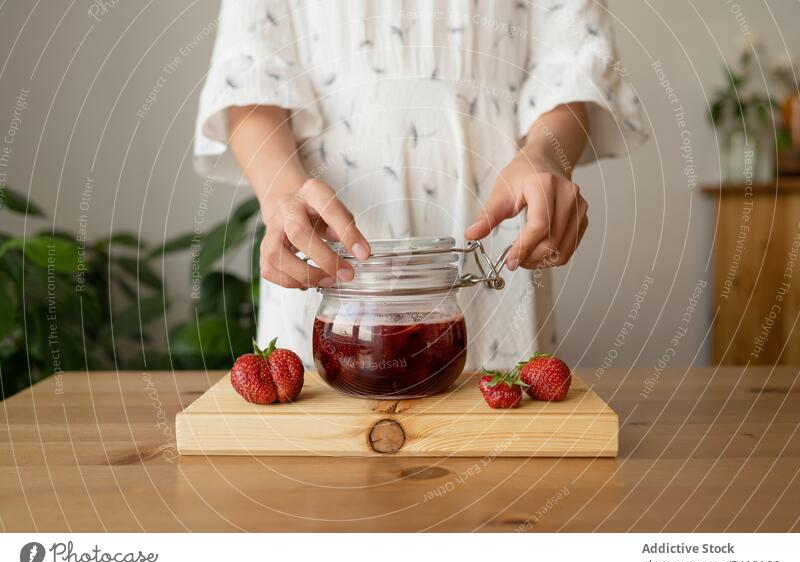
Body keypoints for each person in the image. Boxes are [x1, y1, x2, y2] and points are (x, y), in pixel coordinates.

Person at [194, 0, 646, 370]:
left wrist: (545, 155)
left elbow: (570, 65)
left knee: (503, 467)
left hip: (493, 247)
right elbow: (248, 73)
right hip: (325, 261)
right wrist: (282, 194)